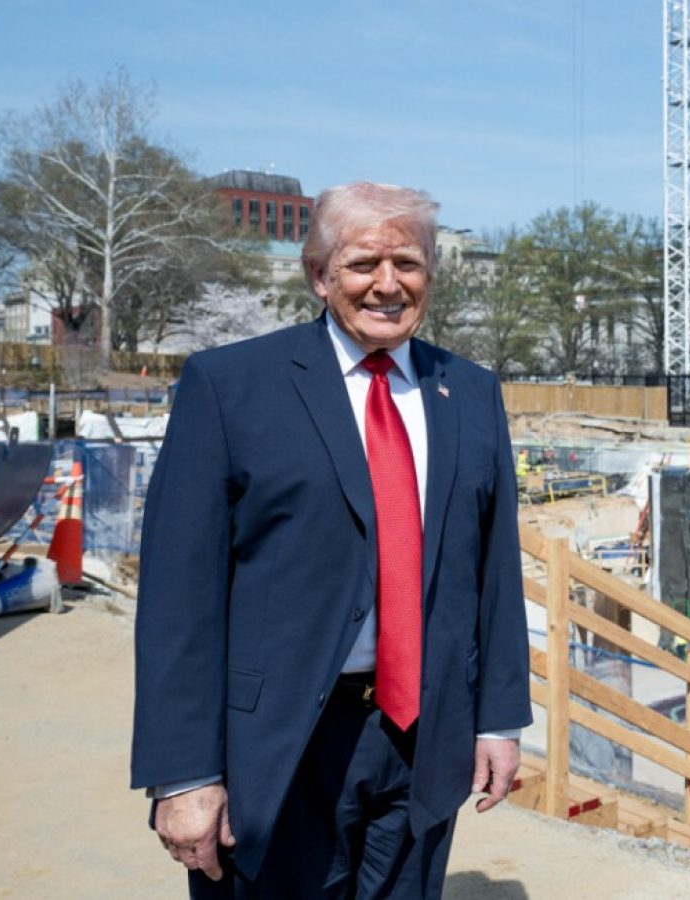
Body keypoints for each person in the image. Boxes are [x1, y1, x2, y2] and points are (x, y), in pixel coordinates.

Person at [131, 182, 532, 899]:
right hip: (277, 745)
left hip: (422, 739)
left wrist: (499, 718)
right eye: (363, 264)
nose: (388, 284)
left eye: (408, 263)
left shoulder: (469, 390)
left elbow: (493, 570)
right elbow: (177, 595)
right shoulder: (229, 386)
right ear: (320, 276)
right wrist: (185, 772)